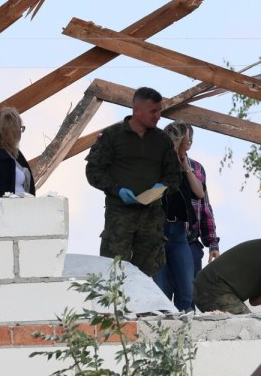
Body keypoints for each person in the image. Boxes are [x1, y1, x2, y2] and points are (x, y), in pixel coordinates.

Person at [85, 87, 182, 277]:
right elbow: (93, 171)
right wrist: (117, 190)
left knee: (146, 276)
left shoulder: (162, 141)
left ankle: (143, 308)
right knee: (112, 271)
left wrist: (162, 188)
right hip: (119, 217)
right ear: (136, 110)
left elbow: (174, 176)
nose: (158, 116)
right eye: (153, 111)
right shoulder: (112, 136)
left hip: (151, 218)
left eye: (159, 110)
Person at [153, 122, 206, 311]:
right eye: (186, 141)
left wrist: (185, 165)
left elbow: (200, 194)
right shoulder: (158, 163)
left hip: (179, 233)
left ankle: (186, 332)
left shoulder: (189, 167)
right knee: (160, 292)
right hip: (158, 232)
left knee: (187, 292)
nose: (189, 145)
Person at [173, 122, 220, 274]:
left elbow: (204, 206)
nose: (183, 143)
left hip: (190, 242)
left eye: (186, 140)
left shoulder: (197, 168)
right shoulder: (160, 164)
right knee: (161, 294)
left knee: (189, 295)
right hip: (163, 241)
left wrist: (213, 243)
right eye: (178, 139)